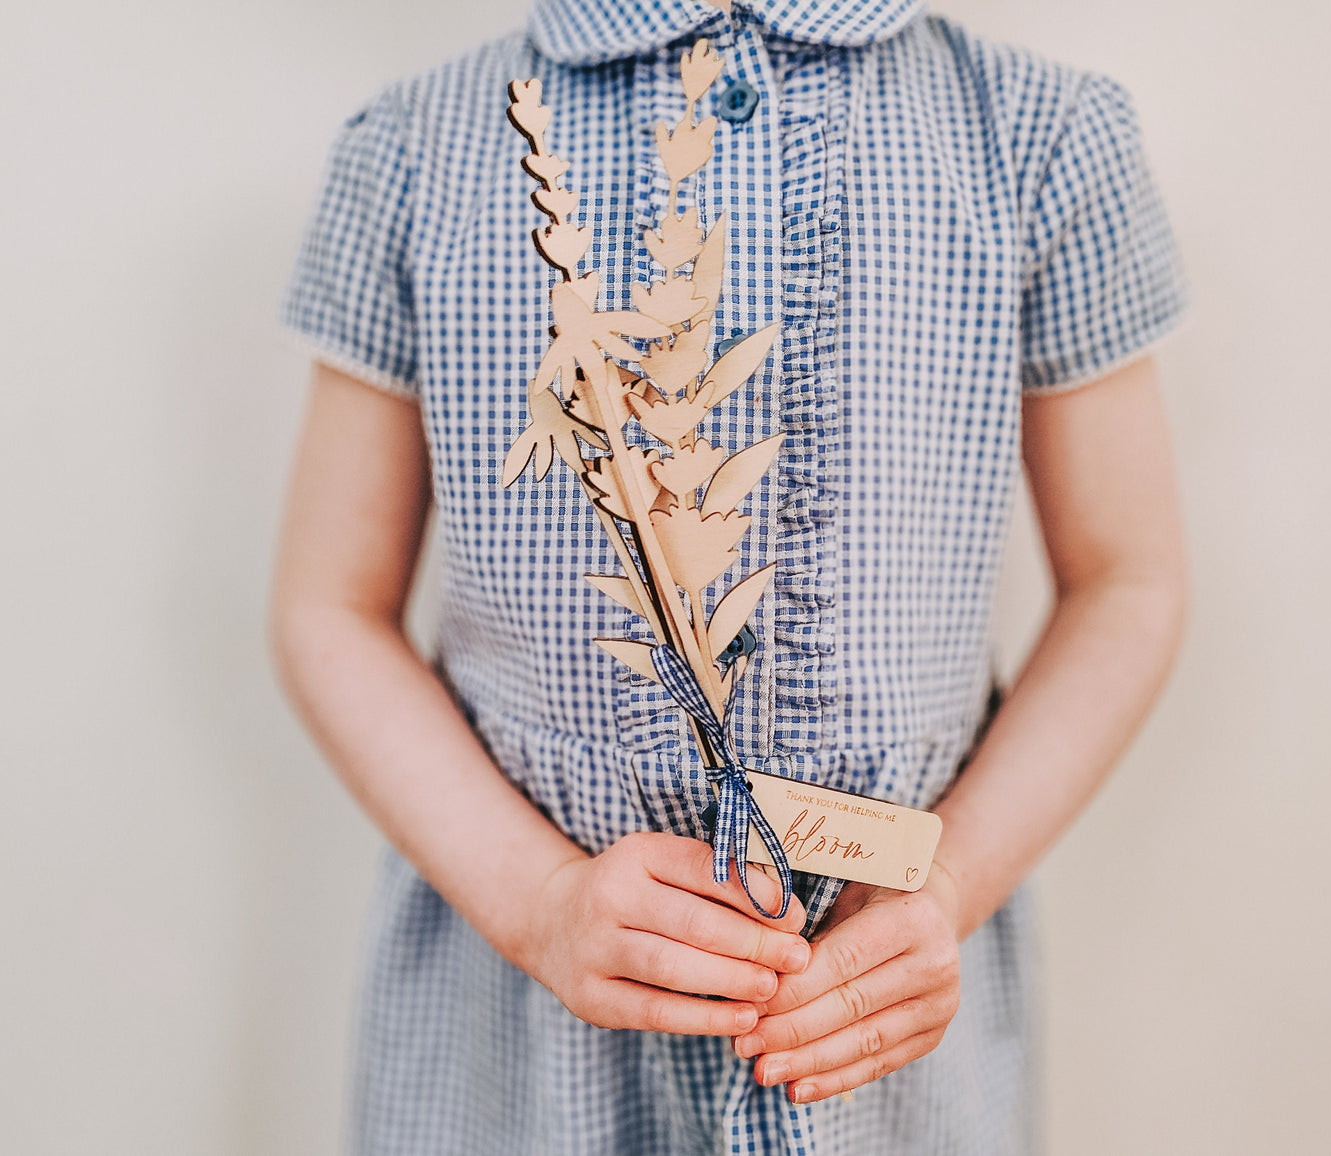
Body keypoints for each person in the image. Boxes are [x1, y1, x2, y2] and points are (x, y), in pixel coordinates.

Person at [269, 0, 1189, 1151]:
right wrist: (537, 902)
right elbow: (328, 605)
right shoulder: (415, 147)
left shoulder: (1041, 136)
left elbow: (1125, 580)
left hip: (882, 1026)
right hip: (519, 1032)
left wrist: (952, 876)